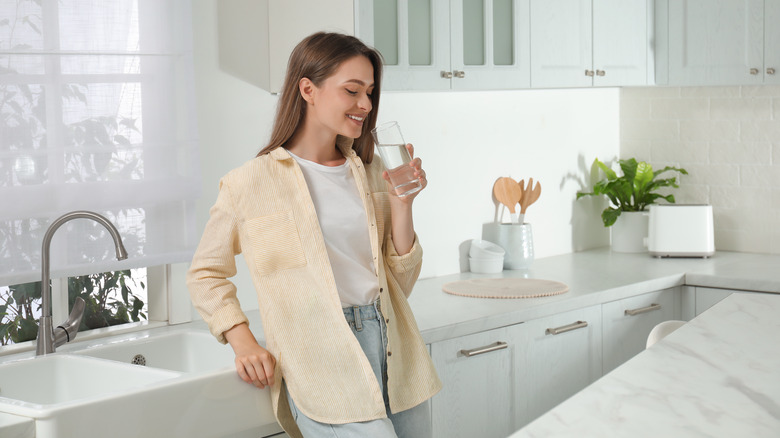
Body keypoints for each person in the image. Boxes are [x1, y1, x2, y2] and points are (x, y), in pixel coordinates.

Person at [186, 32, 441, 438]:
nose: (366, 105)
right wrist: (243, 341)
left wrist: (403, 205)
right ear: (308, 89)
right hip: (320, 360)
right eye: (352, 90)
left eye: (370, 92)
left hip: (396, 348)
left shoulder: (375, 173)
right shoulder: (248, 184)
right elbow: (205, 273)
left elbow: (400, 284)